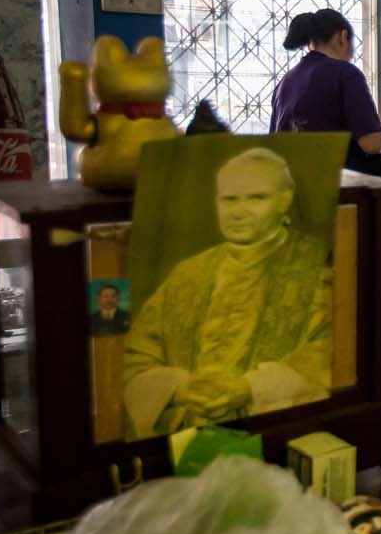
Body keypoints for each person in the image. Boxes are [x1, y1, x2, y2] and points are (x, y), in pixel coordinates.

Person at [123, 147, 332, 438]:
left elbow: (328, 355)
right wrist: (179, 389)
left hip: (272, 434)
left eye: (256, 198)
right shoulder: (188, 273)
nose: (239, 213)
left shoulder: (316, 267)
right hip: (184, 435)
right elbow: (136, 357)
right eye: (229, 199)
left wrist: (248, 388)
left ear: (285, 199)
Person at [271, 8, 381, 174]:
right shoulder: (345, 73)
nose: (351, 53)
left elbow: (274, 146)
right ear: (342, 37)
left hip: (292, 187)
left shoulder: (285, 82)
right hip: (335, 187)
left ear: (310, 43)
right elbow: (371, 143)